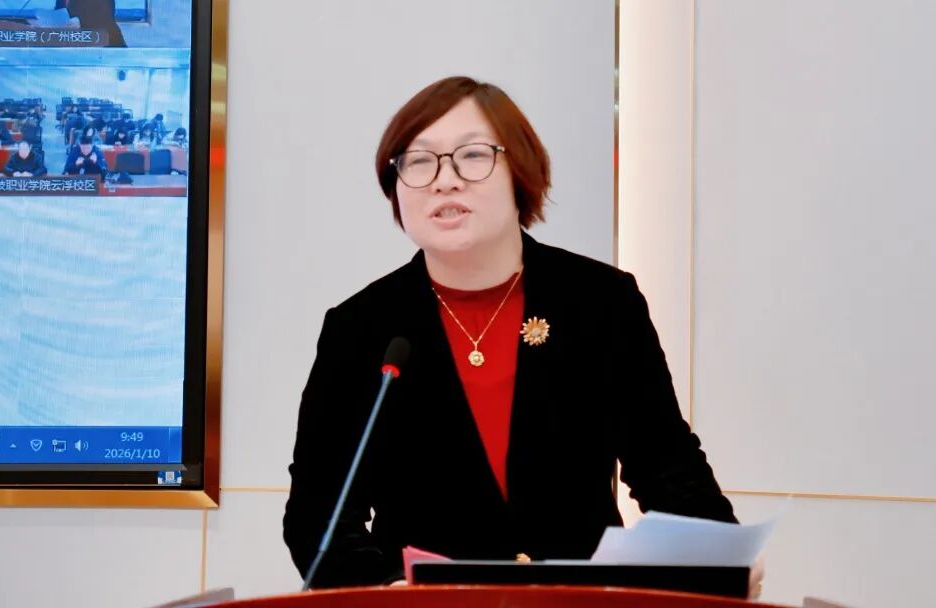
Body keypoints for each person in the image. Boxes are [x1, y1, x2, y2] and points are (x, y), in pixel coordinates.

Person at [283, 77, 763, 597]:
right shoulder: (362, 327)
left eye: (472, 156)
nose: (444, 181)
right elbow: (319, 514)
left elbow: (666, 466)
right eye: (418, 162)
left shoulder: (600, 302)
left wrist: (722, 559)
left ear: (521, 171)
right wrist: (383, 589)